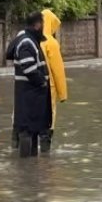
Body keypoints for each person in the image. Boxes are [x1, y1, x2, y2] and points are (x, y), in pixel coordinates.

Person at [6, 13, 52, 157]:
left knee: (32, 128)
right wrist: (42, 81)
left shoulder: (29, 39)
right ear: (37, 24)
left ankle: (31, 169)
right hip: (30, 94)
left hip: (31, 94)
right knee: (27, 129)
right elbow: (29, 68)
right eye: (42, 24)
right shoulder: (27, 42)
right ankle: (26, 168)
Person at [40, 9, 69, 152]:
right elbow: (58, 71)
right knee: (48, 120)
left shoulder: (32, 39)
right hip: (48, 88)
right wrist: (63, 94)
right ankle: (45, 152)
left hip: (33, 87)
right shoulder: (51, 43)